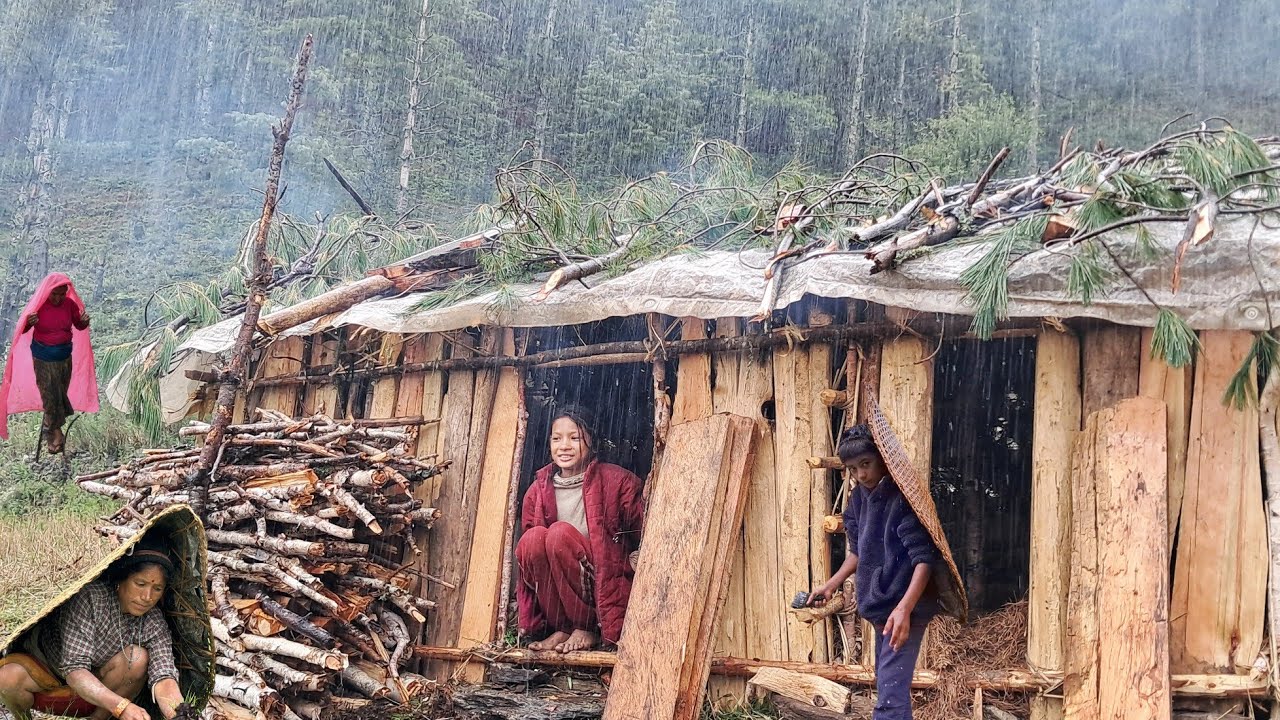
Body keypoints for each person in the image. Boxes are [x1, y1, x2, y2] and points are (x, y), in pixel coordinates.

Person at [808, 422, 964, 720]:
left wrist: (905, 609)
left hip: (906, 607)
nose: (861, 474)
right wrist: (830, 585)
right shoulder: (857, 500)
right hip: (882, 607)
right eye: (853, 469)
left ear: (882, 458)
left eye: (866, 464)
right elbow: (857, 552)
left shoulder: (903, 499)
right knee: (889, 688)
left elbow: (924, 560)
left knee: (889, 701)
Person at [0, 540, 185, 720]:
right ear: (121, 579)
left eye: (157, 589)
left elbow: (164, 675)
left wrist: (179, 713)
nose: (147, 597)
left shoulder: (153, 621)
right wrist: (121, 707)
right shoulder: (91, 599)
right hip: (51, 674)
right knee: (6, 677)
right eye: (140, 584)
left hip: (98, 689)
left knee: (138, 658)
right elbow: (74, 669)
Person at [516, 406, 644, 653]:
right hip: (559, 595)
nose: (564, 446)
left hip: (602, 583)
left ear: (592, 442)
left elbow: (647, 534)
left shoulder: (618, 482)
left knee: (559, 535)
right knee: (533, 539)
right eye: (557, 438)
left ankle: (587, 627)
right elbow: (531, 566)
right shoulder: (537, 490)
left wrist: (630, 563)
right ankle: (563, 627)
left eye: (574, 438)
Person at [0, 273, 98, 453]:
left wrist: (84, 322)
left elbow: (79, 325)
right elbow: (23, 329)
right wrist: (30, 323)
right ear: (48, 292)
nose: (58, 298)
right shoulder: (40, 306)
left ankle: (52, 427)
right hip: (43, 358)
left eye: (62, 294)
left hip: (64, 357)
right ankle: (53, 432)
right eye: (55, 294)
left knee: (60, 394)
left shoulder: (69, 305)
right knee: (50, 397)